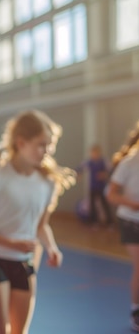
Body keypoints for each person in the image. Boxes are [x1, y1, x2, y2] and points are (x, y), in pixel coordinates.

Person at [0, 110, 75, 334]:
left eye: (50, 145)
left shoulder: (47, 183)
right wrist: (8, 243)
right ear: (21, 142)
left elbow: (41, 225)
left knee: (19, 331)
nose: (48, 151)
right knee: (1, 330)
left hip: (23, 262)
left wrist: (52, 248)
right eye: (42, 144)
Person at [107, 120, 139, 332]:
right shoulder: (129, 163)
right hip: (131, 221)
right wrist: (133, 204)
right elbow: (111, 194)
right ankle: (136, 311)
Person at [76, 144, 114, 227]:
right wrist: (78, 176)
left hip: (102, 187)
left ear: (99, 153)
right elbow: (79, 169)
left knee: (105, 204)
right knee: (92, 205)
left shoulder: (104, 161)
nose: (94, 154)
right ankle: (94, 222)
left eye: (96, 152)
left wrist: (104, 175)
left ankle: (110, 222)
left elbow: (111, 171)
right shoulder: (89, 162)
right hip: (92, 187)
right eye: (93, 153)